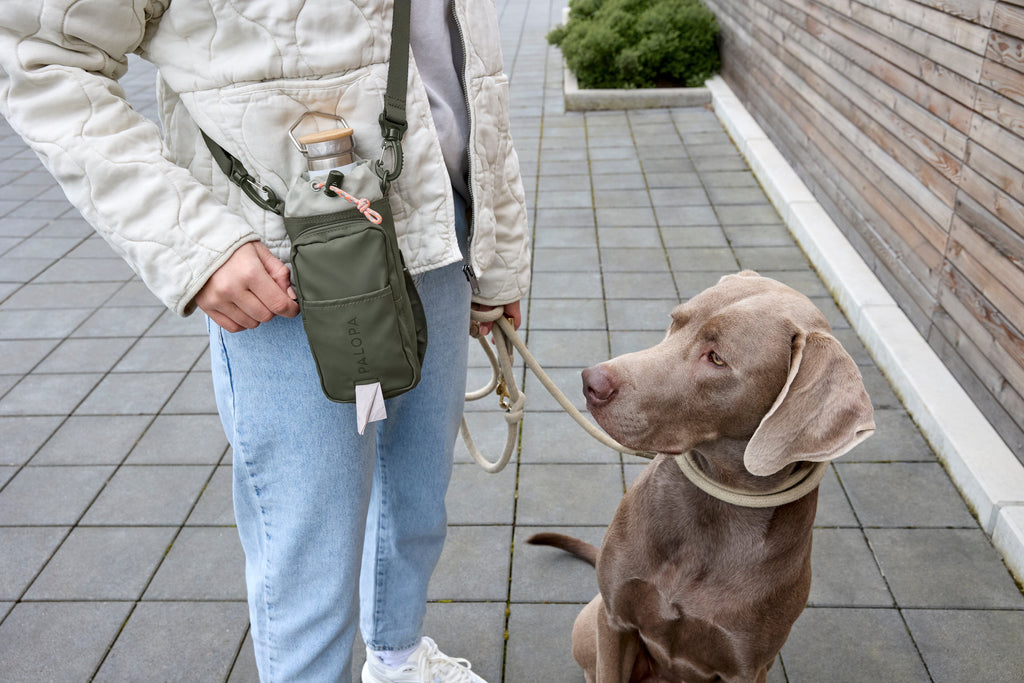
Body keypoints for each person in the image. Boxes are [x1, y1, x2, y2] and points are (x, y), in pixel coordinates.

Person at [0, 0, 530, 681]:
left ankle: (397, 659)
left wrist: (499, 243)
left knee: (419, 495)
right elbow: (38, 52)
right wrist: (199, 245)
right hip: (290, 257)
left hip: (441, 223)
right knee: (309, 548)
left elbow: (469, 63)